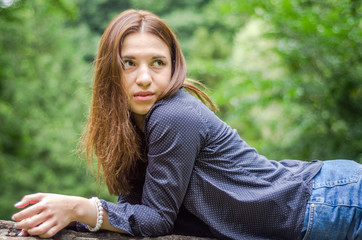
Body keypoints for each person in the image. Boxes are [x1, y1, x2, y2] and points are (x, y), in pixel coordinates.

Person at [12, 9, 361, 240]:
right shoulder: (135, 128)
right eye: (129, 63)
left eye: (158, 63)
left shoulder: (172, 115)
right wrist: (59, 218)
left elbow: (156, 219)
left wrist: (79, 207)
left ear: (173, 66)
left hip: (330, 201)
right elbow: (133, 212)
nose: (144, 78)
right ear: (109, 71)